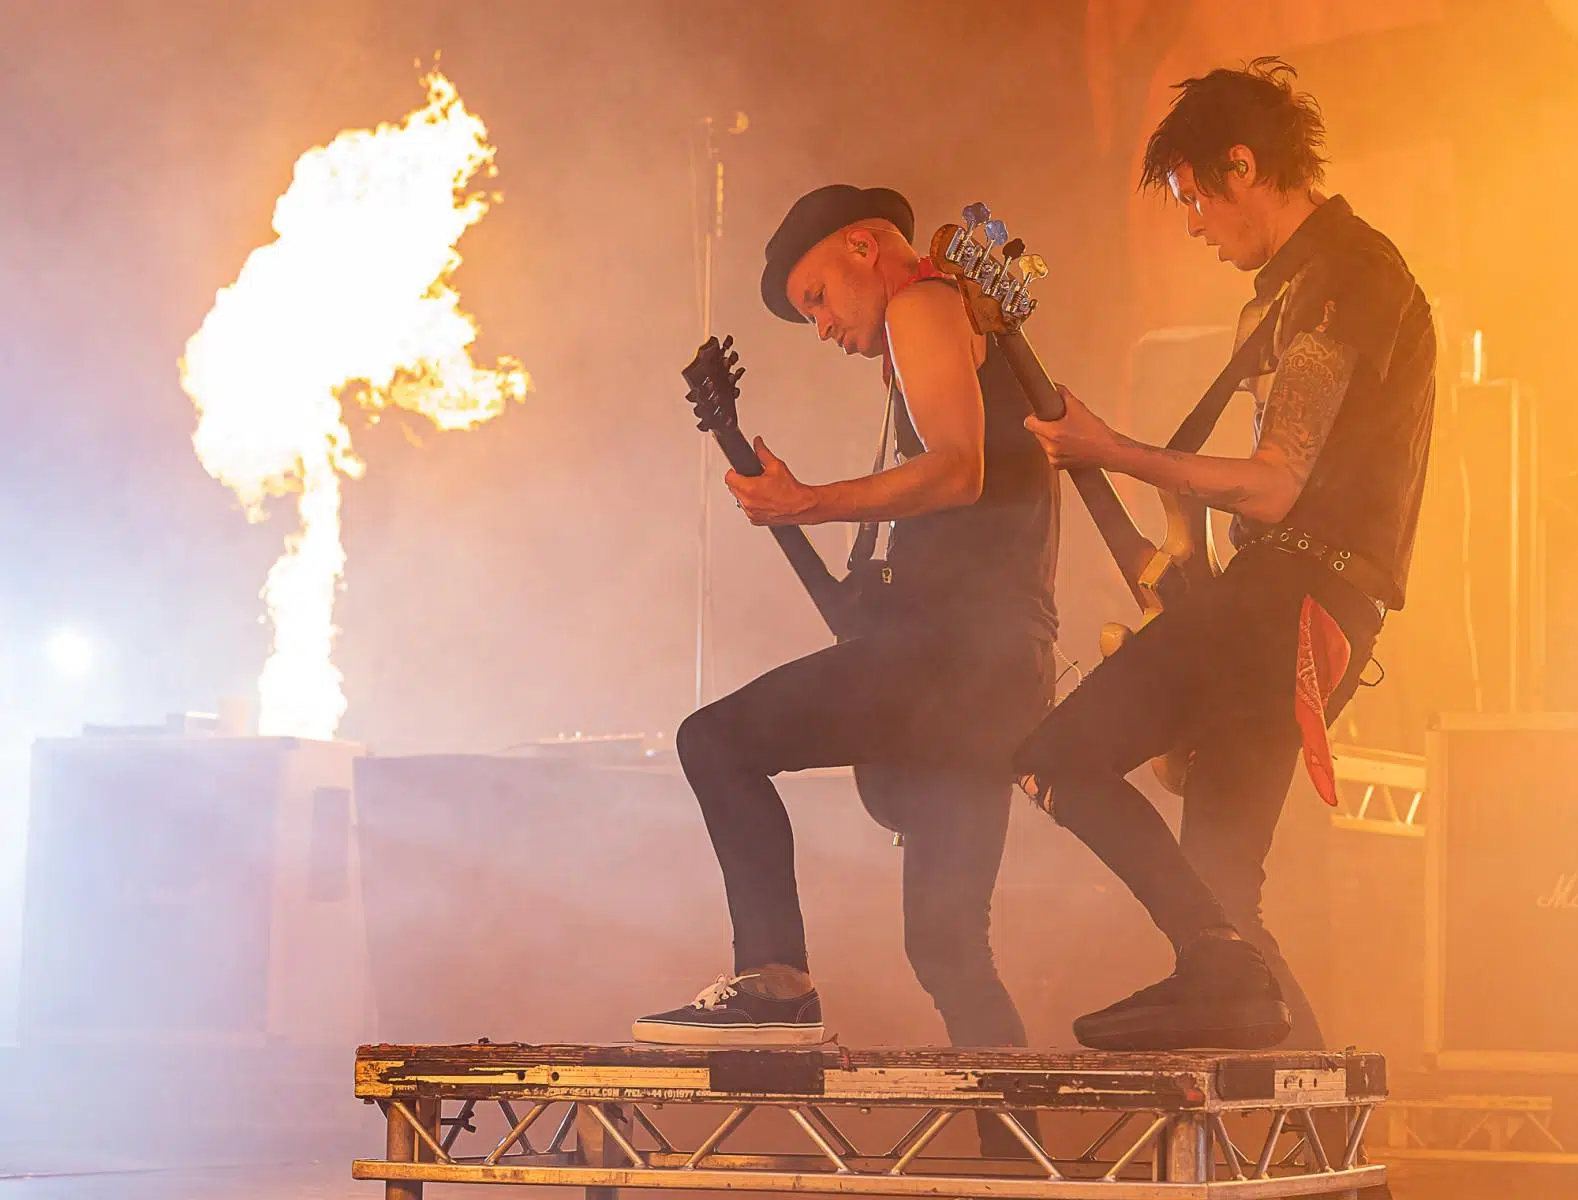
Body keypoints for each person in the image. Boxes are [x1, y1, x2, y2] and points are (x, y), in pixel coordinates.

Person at [1014, 58, 1435, 1052]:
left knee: (1054, 757)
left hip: (1289, 600)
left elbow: (1276, 486)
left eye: (1195, 198)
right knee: (1221, 882)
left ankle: (1210, 966)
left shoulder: (1348, 276)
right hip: (1308, 609)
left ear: (1242, 166)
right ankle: (1327, 1125)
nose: (1195, 226)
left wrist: (1110, 449)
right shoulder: (1294, 292)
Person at [635, 185, 1059, 1068]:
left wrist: (808, 502)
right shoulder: (949, 323)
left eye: (817, 297)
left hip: (953, 660)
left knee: (715, 743)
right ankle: (1019, 1143)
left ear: (865, 247)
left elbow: (960, 471)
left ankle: (773, 984)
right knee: (947, 948)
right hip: (1002, 672)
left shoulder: (922, 301)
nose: (822, 326)